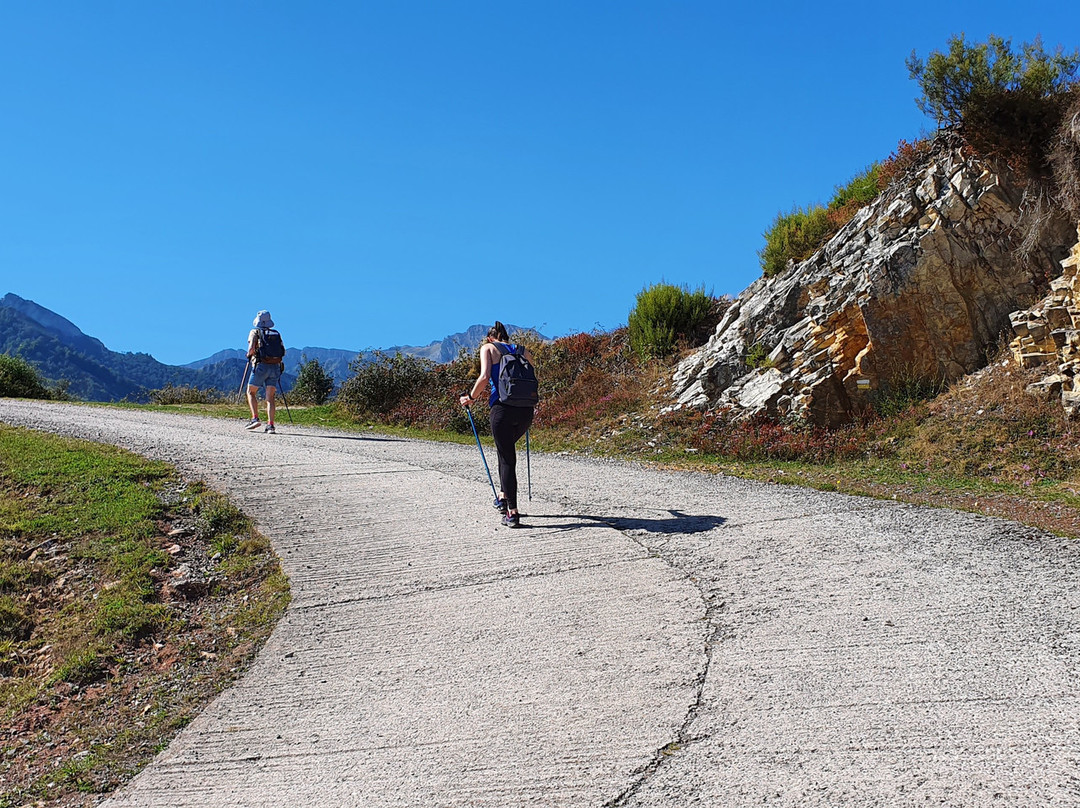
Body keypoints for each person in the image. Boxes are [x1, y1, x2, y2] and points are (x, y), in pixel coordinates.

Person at [459, 322, 536, 527]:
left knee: (507, 457)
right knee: (505, 453)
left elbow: (484, 377)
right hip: (526, 410)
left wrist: (470, 397)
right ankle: (503, 496)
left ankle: (512, 512)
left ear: (490, 338)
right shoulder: (523, 351)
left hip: (502, 408)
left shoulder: (488, 348)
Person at [245, 310, 285, 434]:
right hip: (275, 366)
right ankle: (271, 426)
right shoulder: (276, 333)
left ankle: (255, 418)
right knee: (270, 397)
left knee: (251, 392)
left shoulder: (255, 332)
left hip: (261, 365)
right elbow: (283, 350)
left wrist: (248, 355)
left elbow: (251, 348)